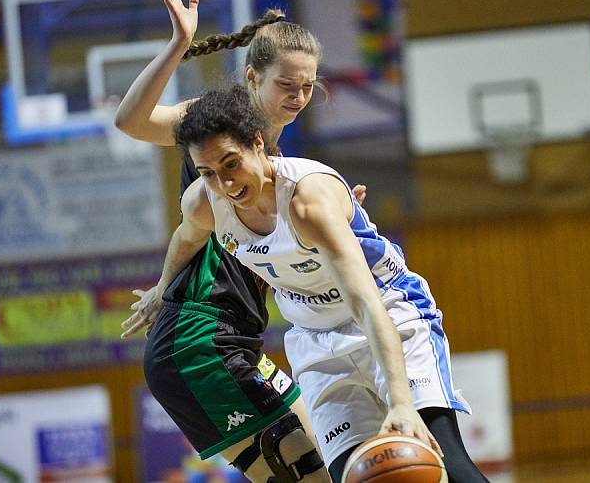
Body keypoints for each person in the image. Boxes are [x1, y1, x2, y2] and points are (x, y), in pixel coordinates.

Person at [158, 84, 490, 483]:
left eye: (231, 164)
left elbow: (367, 302)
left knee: (447, 466)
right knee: (354, 476)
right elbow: (186, 238)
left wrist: (400, 403)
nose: (225, 183)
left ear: (257, 143)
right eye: (209, 173)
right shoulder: (205, 202)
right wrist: (161, 291)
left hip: (389, 314)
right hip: (316, 342)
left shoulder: (306, 202)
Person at [116, 0, 337, 483]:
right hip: (202, 337)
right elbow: (130, 122)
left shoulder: (282, 166)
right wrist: (179, 45)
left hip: (232, 336)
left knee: (327, 468)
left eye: (308, 86)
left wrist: (338, 214)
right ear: (254, 78)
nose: (300, 96)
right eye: (287, 84)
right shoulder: (215, 126)